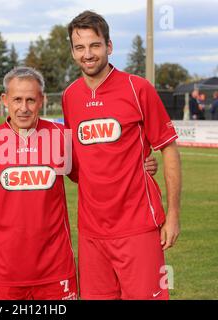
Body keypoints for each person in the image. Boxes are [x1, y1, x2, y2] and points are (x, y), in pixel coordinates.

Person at [0, 67, 159, 300]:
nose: (23, 108)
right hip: (4, 269)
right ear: (4, 100)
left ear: (42, 101)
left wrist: (137, 165)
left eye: (31, 100)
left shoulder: (61, 137)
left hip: (56, 269)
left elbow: (95, 168)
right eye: (17, 100)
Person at [63, 11, 181, 300]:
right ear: (72, 51)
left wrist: (174, 214)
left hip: (138, 226)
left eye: (95, 45)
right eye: (80, 47)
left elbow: (168, 149)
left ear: (109, 46)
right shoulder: (70, 96)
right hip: (91, 232)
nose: (88, 54)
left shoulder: (137, 88)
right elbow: (76, 162)